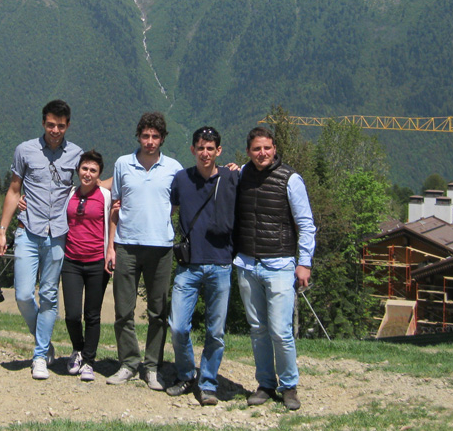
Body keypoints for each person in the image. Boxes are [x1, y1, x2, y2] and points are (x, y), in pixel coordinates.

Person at [0, 100, 82, 380]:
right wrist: (2, 230)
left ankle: (40, 355)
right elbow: (14, 190)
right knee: (22, 295)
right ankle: (43, 342)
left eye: (61, 126)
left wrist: (120, 184)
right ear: (43, 123)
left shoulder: (76, 154)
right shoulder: (25, 150)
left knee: (48, 296)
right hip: (28, 231)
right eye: (51, 125)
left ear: (68, 125)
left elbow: (89, 184)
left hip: (58, 234)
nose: (55, 130)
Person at [234, 126, 316, 410]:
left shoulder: (291, 179)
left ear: (275, 148)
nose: (262, 153)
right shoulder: (241, 175)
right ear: (248, 151)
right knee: (258, 329)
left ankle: (289, 386)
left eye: (267, 148)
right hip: (247, 263)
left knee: (281, 331)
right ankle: (266, 384)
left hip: (280, 264)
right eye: (256, 149)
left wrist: (304, 262)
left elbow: (306, 224)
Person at [105, 112, 182, 390]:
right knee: (123, 310)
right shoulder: (122, 164)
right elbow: (115, 206)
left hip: (161, 248)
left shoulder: (173, 168)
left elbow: (176, 203)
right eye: (146, 136)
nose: (150, 141)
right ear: (138, 136)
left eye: (155, 136)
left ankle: (152, 367)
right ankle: (128, 363)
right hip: (126, 245)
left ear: (162, 139)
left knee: (158, 311)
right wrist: (110, 247)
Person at [166, 126, 237, 406]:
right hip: (189, 264)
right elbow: (167, 209)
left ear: (219, 151)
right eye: (200, 148)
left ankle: (208, 383)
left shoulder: (231, 177)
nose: (205, 153)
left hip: (221, 263)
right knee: (178, 326)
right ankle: (186, 374)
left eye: (210, 148)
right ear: (193, 149)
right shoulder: (181, 179)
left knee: (215, 331)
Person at [61, 150, 112, 382]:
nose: (88, 174)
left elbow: (114, 221)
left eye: (93, 170)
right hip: (71, 260)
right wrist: (24, 202)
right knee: (72, 315)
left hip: (96, 263)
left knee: (92, 315)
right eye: (84, 168)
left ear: (99, 174)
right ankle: (78, 349)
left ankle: (89, 361)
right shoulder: (69, 194)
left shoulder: (105, 196)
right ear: (78, 170)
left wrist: (111, 251)